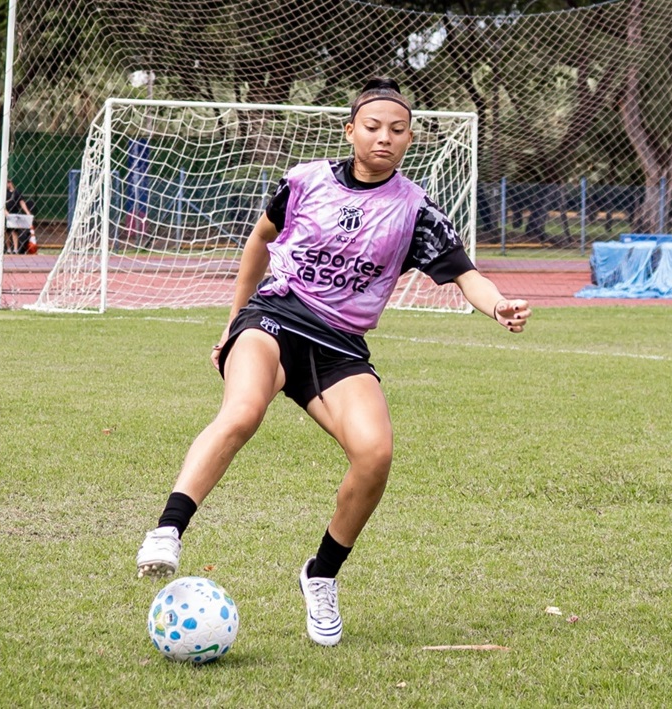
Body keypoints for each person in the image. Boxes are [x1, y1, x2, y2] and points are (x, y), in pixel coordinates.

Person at [136, 78, 531, 647]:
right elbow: (260, 240)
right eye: (372, 127)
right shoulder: (304, 182)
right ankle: (168, 531)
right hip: (274, 316)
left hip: (340, 344)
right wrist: (234, 318)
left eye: (397, 130)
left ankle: (320, 575)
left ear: (410, 139)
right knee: (243, 411)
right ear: (350, 131)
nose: (384, 137)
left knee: (375, 454)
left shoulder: (415, 210)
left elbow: (465, 274)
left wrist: (498, 306)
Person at [4, 180, 35, 254]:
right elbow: (2, 204)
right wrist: (6, 213)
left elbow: (22, 202)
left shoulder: (17, 192)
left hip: (15, 214)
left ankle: (15, 249)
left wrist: (27, 212)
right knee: (7, 232)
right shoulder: (4, 193)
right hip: (6, 214)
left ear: (9, 183)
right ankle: (8, 249)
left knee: (14, 231)